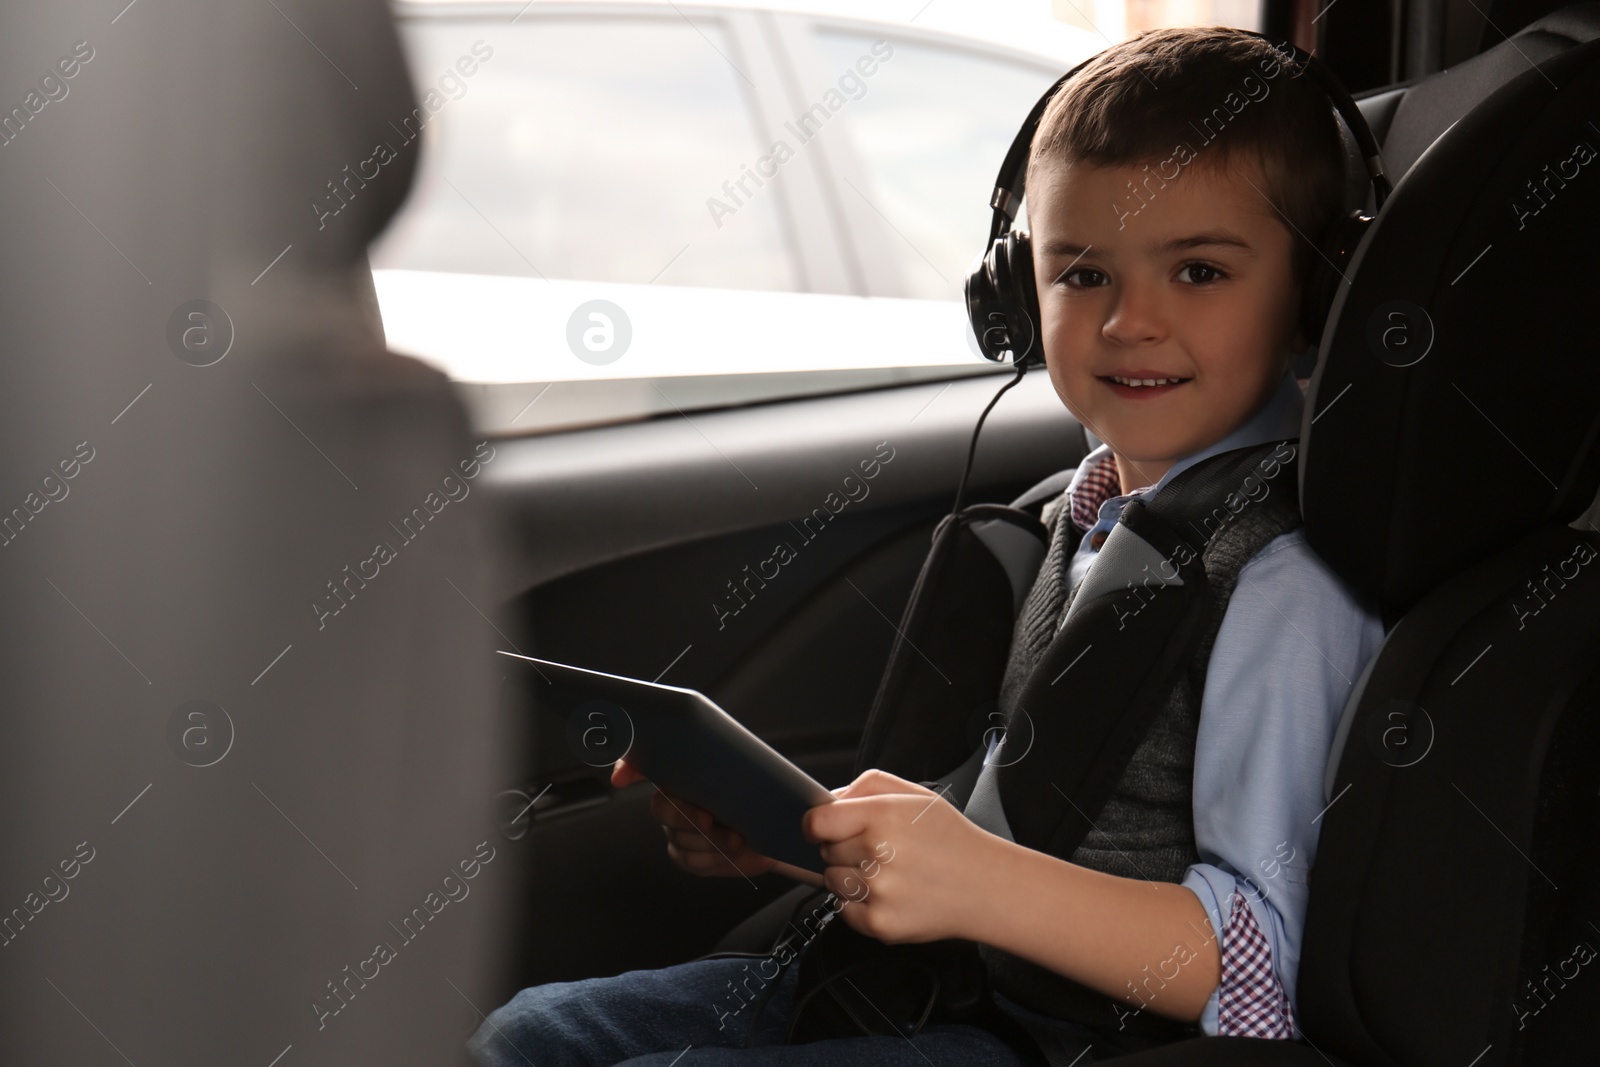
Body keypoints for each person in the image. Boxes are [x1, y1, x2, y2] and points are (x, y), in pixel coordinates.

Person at [469, 25, 1385, 1067]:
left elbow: (1259, 961)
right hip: (938, 981)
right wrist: (791, 841)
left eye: (1199, 271)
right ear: (1015, 295)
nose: (1132, 320)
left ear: (1318, 296)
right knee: (527, 1034)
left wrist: (980, 883)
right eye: (1081, 275)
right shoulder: (1077, 517)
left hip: (1067, 1041)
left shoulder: (1279, 583)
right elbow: (1013, 814)